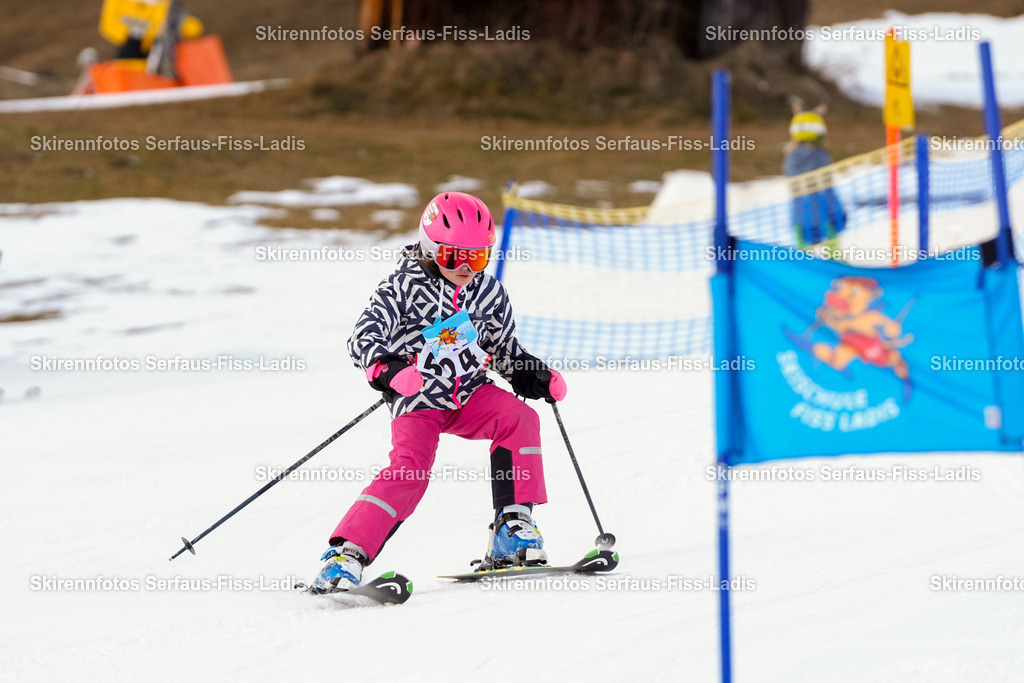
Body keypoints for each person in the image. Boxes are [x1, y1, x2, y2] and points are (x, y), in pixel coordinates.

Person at [312, 192, 567, 593]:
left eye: (478, 257)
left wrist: (531, 374)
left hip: (470, 393)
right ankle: (345, 555)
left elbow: (502, 350)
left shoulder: (488, 293)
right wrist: (391, 372)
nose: (466, 267)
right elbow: (362, 339)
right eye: (453, 257)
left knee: (519, 419)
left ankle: (512, 527)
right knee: (411, 469)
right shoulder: (401, 287)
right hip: (419, 400)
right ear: (431, 250)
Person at [784, 99, 847, 250]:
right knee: (834, 259)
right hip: (825, 217)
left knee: (805, 263)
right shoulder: (821, 156)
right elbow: (827, 188)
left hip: (799, 219)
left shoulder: (790, 157)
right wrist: (837, 212)